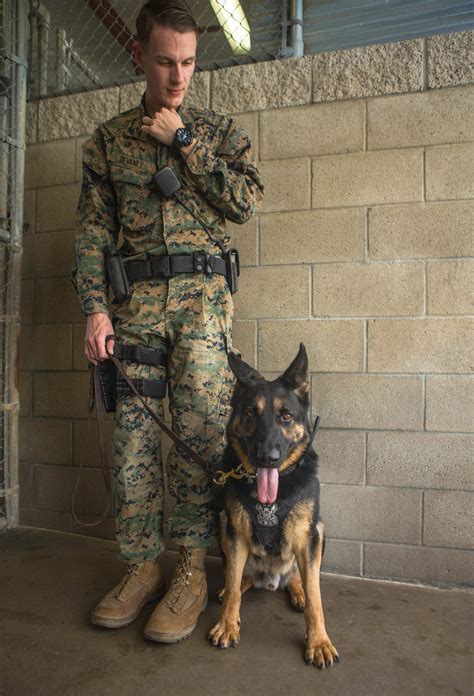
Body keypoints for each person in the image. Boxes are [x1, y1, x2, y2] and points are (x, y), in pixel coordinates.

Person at [72, 0, 263, 643]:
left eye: (187, 62)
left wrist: (183, 142)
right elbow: (94, 232)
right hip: (135, 313)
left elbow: (244, 201)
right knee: (132, 440)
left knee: (198, 442)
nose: (178, 76)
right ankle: (140, 568)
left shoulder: (215, 130)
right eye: (164, 62)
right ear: (140, 57)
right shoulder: (106, 141)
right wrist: (95, 307)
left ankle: (189, 571)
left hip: (203, 312)